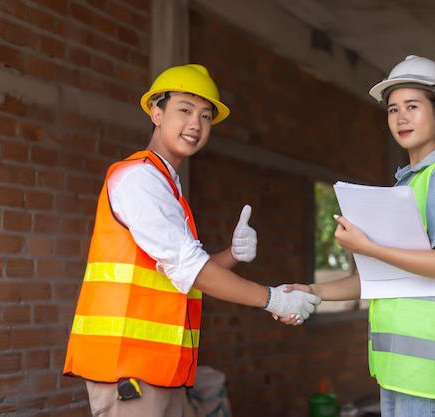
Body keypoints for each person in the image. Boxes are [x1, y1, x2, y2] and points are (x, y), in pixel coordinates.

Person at [63, 63, 321, 417]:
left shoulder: (167, 186)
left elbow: (176, 274)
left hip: (157, 370)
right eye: (184, 110)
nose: (195, 125)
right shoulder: (139, 179)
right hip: (129, 370)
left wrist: (231, 255)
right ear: (156, 112)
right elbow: (190, 268)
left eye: (205, 116)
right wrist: (273, 299)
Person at [282, 55, 435, 416]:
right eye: (393, 109)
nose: (401, 118)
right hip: (401, 372)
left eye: (412, 106)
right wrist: (315, 291)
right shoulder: (408, 184)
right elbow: (384, 277)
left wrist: (369, 246)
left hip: (432, 377)